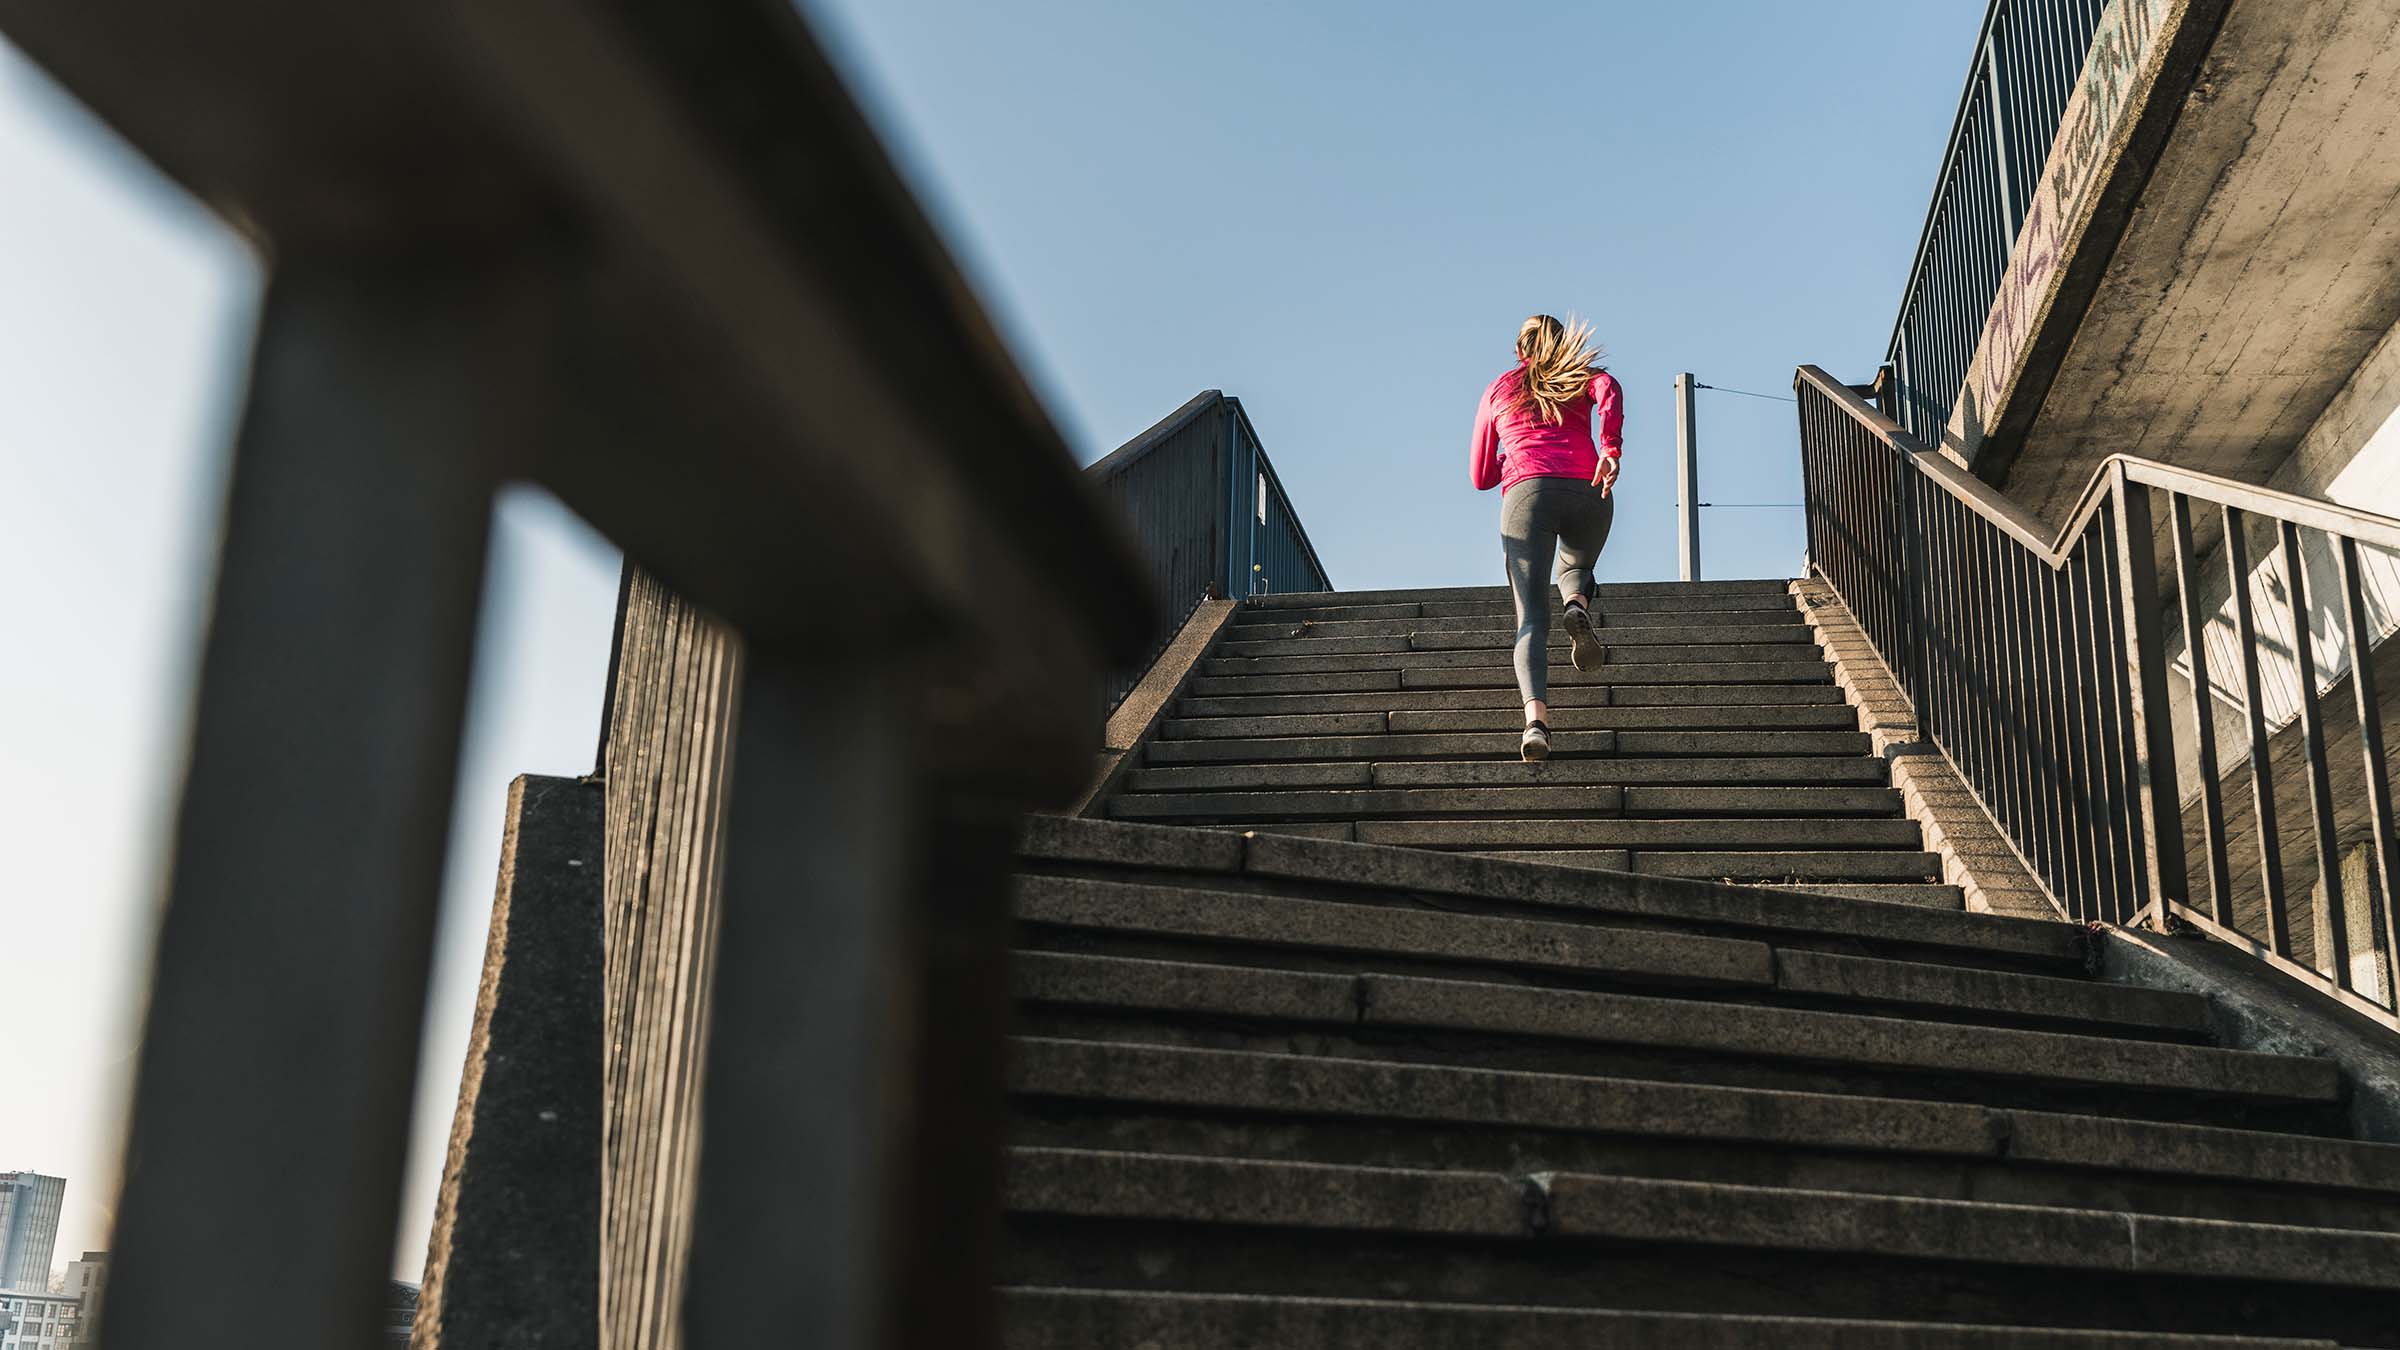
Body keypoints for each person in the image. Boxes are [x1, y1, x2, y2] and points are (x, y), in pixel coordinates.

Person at [1468, 313, 1623, 762]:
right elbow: (1608, 389)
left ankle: (1537, 724)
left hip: (1526, 494)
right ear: (1561, 342)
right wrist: (1610, 447)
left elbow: (1480, 476)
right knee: (1576, 567)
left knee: (1532, 617)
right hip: (1590, 487)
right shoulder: (1581, 375)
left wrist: (1509, 455)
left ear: (1519, 349)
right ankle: (1577, 604)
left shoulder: (1499, 388)